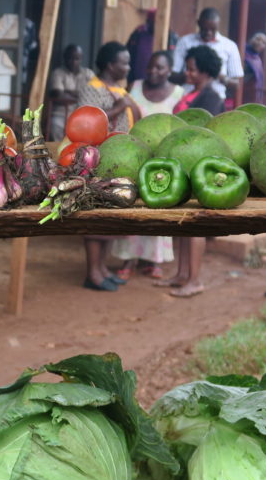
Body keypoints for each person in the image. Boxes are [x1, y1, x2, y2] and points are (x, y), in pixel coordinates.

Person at [154, 45, 227, 298]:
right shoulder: (192, 92)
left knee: (195, 224)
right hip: (182, 163)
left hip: (199, 163)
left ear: (205, 71)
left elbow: (209, 135)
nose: (187, 72)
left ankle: (194, 280)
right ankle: (181, 274)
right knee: (183, 222)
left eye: (192, 69)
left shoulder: (211, 98)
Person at [77, 41, 141, 291]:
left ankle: (102, 268)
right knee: (95, 217)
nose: (128, 66)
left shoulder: (120, 89)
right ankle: (92, 273)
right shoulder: (91, 88)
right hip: (96, 160)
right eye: (123, 62)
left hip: (117, 161)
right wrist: (120, 106)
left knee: (109, 218)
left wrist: (126, 101)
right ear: (109, 65)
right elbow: (88, 122)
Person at [114, 49, 179, 280]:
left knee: (159, 208)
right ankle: (128, 258)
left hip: (164, 162)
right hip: (134, 158)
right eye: (151, 66)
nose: (154, 71)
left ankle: (153, 259)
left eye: (160, 67)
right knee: (132, 206)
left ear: (169, 70)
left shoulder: (178, 94)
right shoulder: (136, 87)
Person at [171, 8, 244, 105]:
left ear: (218, 25)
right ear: (198, 23)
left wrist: (218, 76)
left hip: (215, 101)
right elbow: (172, 75)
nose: (208, 33)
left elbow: (236, 84)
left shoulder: (229, 46)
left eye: (213, 29)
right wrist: (192, 75)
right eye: (204, 29)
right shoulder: (185, 42)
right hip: (187, 99)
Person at [47, 44, 94, 141]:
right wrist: (83, 95)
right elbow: (59, 95)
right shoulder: (58, 73)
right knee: (55, 124)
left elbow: (94, 95)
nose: (73, 62)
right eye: (70, 58)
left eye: (76, 59)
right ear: (64, 58)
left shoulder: (88, 74)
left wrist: (68, 91)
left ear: (81, 59)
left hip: (83, 115)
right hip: (61, 114)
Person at [128, 50, 184, 115]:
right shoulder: (134, 87)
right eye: (150, 66)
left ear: (170, 71)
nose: (152, 71)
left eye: (159, 68)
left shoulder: (179, 94)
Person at [172, 45, 225, 115]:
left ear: (205, 72)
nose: (186, 73)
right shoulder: (191, 93)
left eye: (191, 70)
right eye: (187, 69)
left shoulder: (211, 99)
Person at [242, 31, 266, 105]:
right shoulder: (241, 51)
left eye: (263, 42)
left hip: (251, 96)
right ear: (251, 39)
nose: (260, 43)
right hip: (240, 93)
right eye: (258, 39)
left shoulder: (257, 60)